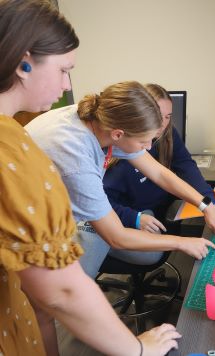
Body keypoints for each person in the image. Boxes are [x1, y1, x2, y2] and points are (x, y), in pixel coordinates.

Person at [0, 1, 180, 355]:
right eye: (65, 69)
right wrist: (137, 348)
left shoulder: (18, 132)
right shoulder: (13, 149)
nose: (68, 83)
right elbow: (61, 290)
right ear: (23, 62)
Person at [26, 81, 215, 278]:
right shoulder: (76, 157)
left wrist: (206, 205)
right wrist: (182, 242)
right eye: (144, 141)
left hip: (53, 204)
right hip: (30, 221)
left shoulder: (102, 121)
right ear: (118, 135)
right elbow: (115, 236)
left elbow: (159, 173)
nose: (149, 148)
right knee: (68, 292)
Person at [104, 83, 215, 264]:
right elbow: (101, 205)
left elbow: (181, 168)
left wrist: (210, 204)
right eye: (158, 116)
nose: (163, 124)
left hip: (153, 210)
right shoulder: (123, 150)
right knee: (152, 254)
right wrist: (134, 218)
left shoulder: (166, 133)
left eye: (168, 117)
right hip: (125, 215)